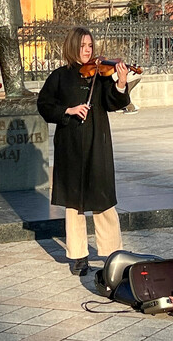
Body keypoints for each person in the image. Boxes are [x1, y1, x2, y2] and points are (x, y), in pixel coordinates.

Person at [36, 27, 130, 276]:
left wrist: (120, 83)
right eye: (82, 46)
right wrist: (67, 110)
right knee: (73, 203)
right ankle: (78, 256)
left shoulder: (101, 75)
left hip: (97, 142)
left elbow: (113, 102)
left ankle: (112, 252)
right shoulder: (59, 76)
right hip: (70, 145)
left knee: (103, 199)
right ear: (72, 47)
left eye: (90, 45)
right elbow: (44, 105)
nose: (87, 50)